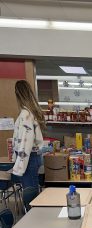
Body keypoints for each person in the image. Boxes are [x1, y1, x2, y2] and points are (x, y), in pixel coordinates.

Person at [11, 80, 47, 209]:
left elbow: (25, 143)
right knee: (32, 190)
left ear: (18, 94)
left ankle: (34, 220)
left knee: (30, 194)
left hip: (28, 159)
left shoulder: (25, 114)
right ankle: (34, 218)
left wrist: (19, 166)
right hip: (31, 157)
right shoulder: (30, 112)